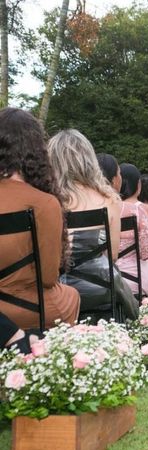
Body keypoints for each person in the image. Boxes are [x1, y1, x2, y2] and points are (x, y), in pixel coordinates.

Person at [0, 108, 80, 330]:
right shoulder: (44, 203)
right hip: (25, 308)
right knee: (71, 296)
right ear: (36, 149)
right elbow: (47, 277)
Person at [48, 129, 139, 321]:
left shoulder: (47, 200)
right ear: (88, 159)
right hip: (101, 289)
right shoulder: (109, 199)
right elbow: (112, 255)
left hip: (57, 290)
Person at [117, 163, 148, 295]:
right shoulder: (138, 211)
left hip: (105, 276)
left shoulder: (104, 208)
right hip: (136, 277)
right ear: (138, 185)